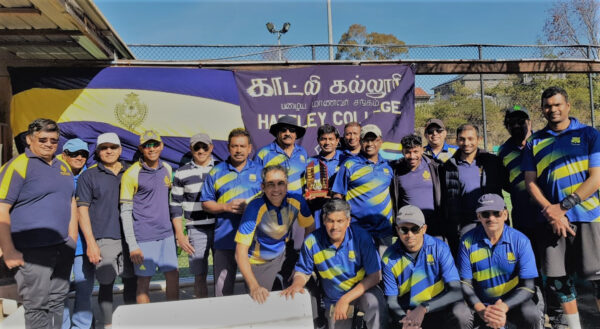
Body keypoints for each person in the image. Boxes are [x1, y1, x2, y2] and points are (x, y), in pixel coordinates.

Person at [523, 86, 600, 329]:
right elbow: (530, 182)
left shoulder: (589, 134)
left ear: (567, 106)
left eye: (557, 104)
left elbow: (596, 178)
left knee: (597, 278)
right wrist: (551, 211)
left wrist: (564, 207)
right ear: (542, 109)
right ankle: (574, 326)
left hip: (589, 216)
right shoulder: (534, 141)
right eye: (548, 105)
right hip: (551, 220)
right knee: (559, 278)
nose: (553, 109)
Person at [0, 118, 78, 328]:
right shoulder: (18, 166)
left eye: (53, 140)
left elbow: (71, 201)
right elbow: (1, 208)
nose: (48, 144)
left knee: (58, 301)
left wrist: (72, 239)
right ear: (29, 139)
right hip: (30, 251)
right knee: (37, 305)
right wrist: (8, 250)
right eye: (42, 139)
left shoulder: (63, 167)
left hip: (63, 246)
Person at [281, 199, 387, 329]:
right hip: (333, 299)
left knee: (374, 302)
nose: (335, 227)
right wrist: (297, 284)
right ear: (324, 220)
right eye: (330, 221)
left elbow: (375, 276)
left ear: (348, 222)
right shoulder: (311, 241)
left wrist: (346, 299)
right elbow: (303, 271)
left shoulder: (362, 238)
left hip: (361, 293)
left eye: (340, 221)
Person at [76, 133, 137, 328]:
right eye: (104, 148)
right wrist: (91, 242)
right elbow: (82, 210)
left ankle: (131, 323)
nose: (109, 151)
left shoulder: (132, 171)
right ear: (98, 151)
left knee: (131, 281)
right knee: (106, 284)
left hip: (132, 237)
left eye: (113, 147)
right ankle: (108, 325)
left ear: (120, 149)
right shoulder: (89, 175)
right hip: (104, 237)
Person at [458, 193, 542, 329]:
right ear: (479, 217)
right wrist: (481, 309)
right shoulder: (467, 241)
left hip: (511, 303)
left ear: (505, 215)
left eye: (496, 213)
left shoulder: (521, 241)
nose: (491, 218)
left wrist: (503, 307)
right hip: (481, 304)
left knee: (531, 314)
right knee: (460, 314)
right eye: (485, 214)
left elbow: (528, 286)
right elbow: (465, 283)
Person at [235, 165, 314, 303]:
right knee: (263, 303)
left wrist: (302, 259)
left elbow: (310, 227)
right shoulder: (254, 208)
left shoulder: (297, 201)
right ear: (263, 187)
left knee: (304, 291)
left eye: (280, 183)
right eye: (270, 184)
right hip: (259, 262)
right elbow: (240, 252)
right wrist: (254, 286)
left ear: (287, 185)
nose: (276, 189)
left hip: (283, 255)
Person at [382, 205, 471, 329]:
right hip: (407, 313)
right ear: (397, 230)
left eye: (415, 229)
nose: (409, 234)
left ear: (424, 229)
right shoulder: (389, 257)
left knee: (462, 313)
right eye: (404, 229)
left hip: (438, 308)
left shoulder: (440, 248)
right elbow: (391, 301)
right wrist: (406, 320)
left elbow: (456, 292)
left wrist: (424, 307)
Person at [200, 128, 263, 296]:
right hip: (225, 238)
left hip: (254, 240)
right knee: (223, 290)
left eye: (242, 146)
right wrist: (225, 207)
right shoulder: (216, 171)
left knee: (254, 288)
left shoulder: (261, 172)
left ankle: (253, 321)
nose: (238, 150)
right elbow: (205, 203)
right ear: (228, 148)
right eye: (235, 146)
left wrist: (250, 209)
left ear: (250, 148)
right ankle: (224, 321)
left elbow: (270, 201)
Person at [120, 130, 178, 304]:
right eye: (147, 145)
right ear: (141, 148)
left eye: (155, 144)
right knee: (144, 282)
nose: (151, 149)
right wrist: (132, 245)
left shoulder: (167, 168)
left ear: (162, 146)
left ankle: (175, 319)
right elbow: (125, 212)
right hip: (144, 238)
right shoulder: (131, 174)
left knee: (173, 276)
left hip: (167, 236)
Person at [444, 124, 507, 250]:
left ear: (479, 139)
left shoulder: (493, 161)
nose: (466, 143)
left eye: (470, 139)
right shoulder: (449, 166)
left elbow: (508, 185)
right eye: (462, 139)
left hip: (493, 221)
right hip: (466, 225)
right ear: (457, 141)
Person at [332, 124, 394, 253]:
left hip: (385, 230)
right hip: (358, 230)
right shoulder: (349, 164)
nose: (370, 143)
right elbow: (338, 195)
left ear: (380, 141)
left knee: (386, 270)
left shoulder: (388, 166)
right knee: (360, 271)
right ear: (360, 142)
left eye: (374, 140)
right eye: (366, 140)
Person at [170, 133, 217, 298]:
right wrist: (179, 235)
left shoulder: (221, 168)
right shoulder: (181, 173)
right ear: (191, 149)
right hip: (195, 228)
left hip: (220, 227)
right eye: (197, 147)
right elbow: (175, 205)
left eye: (205, 146)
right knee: (199, 275)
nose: (201, 150)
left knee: (223, 273)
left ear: (211, 147)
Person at [58, 138, 93, 329]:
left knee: (84, 290)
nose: (79, 157)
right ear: (64, 155)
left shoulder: (92, 176)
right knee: (59, 290)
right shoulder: (54, 174)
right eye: (74, 154)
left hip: (85, 245)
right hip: (60, 243)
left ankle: (82, 326)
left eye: (83, 154)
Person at [391, 134, 447, 241]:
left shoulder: (435, 166)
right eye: (408, 152)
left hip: (434, 224)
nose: (412, 156)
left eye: (415, 151)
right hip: (409, 227)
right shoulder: (395, 170)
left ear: (422, 150)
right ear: (403, 152)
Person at [306, 124, 345, 228]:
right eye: (323, 139)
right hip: (318, 216)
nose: (327, 142)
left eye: (331, 139)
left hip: (340, 216)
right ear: (318, 140)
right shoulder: (310, 163)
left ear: (337, 141)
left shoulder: (346, 161)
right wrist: (308, 195)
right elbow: (305, 189)